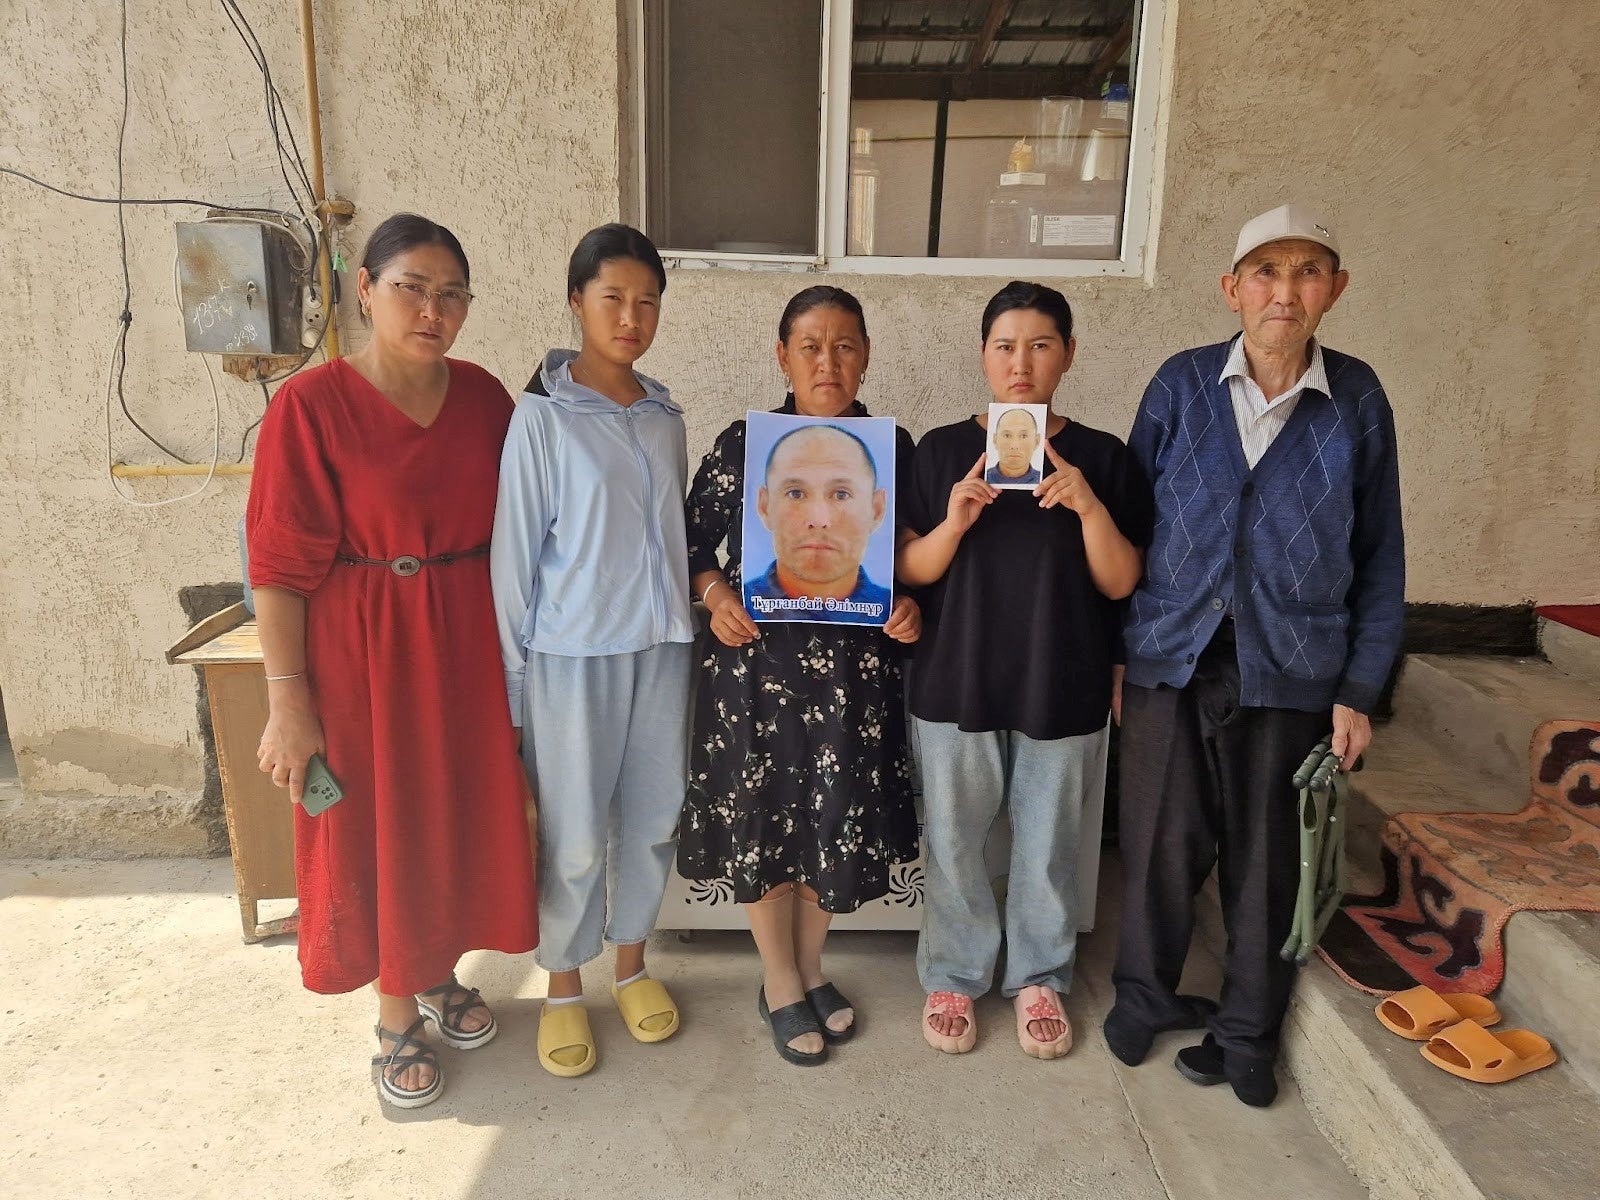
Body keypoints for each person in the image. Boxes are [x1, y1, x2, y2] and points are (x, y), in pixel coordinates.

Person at [1105, 204, 1404, 1107]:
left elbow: (1381, 556)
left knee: (1269, 863)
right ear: (1231, 289)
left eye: (1307, 271)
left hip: (1294, 667)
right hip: (1171, 655)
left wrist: (1360, 689)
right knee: (1158, 845)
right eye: (1266, 272)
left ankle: (1246, 1036)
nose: (1285, 291)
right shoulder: (1181, 382)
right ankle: (1143, 999)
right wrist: (1116, 653)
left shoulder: (1356, 398)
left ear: (1335, 290)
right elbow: (1127, 526)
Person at [249, 212, 538, 1110]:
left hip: (465, 640)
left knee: (451, 810)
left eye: (452, 294)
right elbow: (277, 567)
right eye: (412, 288)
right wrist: (288, 699)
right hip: (358, 649)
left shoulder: (487, 399)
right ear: (366, 290)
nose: (432, 311)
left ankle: (437, 971)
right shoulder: (310, 407)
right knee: (375, 818)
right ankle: (395, 1012)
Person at [897, 281, 1152, 1059]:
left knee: (1048, 843)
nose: (1021, 363)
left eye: (1041, 345)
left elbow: (1122, 581)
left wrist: (1088, 507)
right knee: (954, 839)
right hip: (954, 677)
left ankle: (1040, 975)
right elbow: (910, 567)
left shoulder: (1104, 457)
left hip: (1062, 679)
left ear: (1068, 355)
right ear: (983, 354)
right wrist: (955, 521)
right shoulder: (940, 450)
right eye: (1005, 346)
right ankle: (954, 974)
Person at [678, 285, 922, 1064]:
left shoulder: (893, 448)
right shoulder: (743, 444)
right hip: (756, 671)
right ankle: (779, 979)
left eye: (844, 345)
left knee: (836, 818)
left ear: (866, 356)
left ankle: (812, 966)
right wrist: (716, 597)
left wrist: (909, 606)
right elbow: (689, 544)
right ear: (783, 356)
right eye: (810, 346)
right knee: (765, 818)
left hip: (855, 676)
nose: (828, 361)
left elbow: (912, 555)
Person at [490, 223, 694, 1080]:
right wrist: (513, 692)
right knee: (573, 835)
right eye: (612, 298)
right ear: (576, 301)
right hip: (572, 656)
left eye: (647, 301)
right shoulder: (542, 417)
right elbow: (513, 561)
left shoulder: (665, 416)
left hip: (664, 648)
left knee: (652, 818)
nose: (630, 317)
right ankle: (565, 984)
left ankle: (633, 965)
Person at [744, 422, 893, 623]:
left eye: (841, 494)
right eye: (795, 493)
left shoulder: (893, 613)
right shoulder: (740, 606)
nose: (819, 519)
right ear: (764, 506)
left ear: (877, 509)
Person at [985, 406, 1042, 485]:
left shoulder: (1047, 480)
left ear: (1036, 441)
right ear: (995, 440)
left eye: (1024, 436)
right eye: (1007, 435)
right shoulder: (979, 478)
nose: (1015, 446)